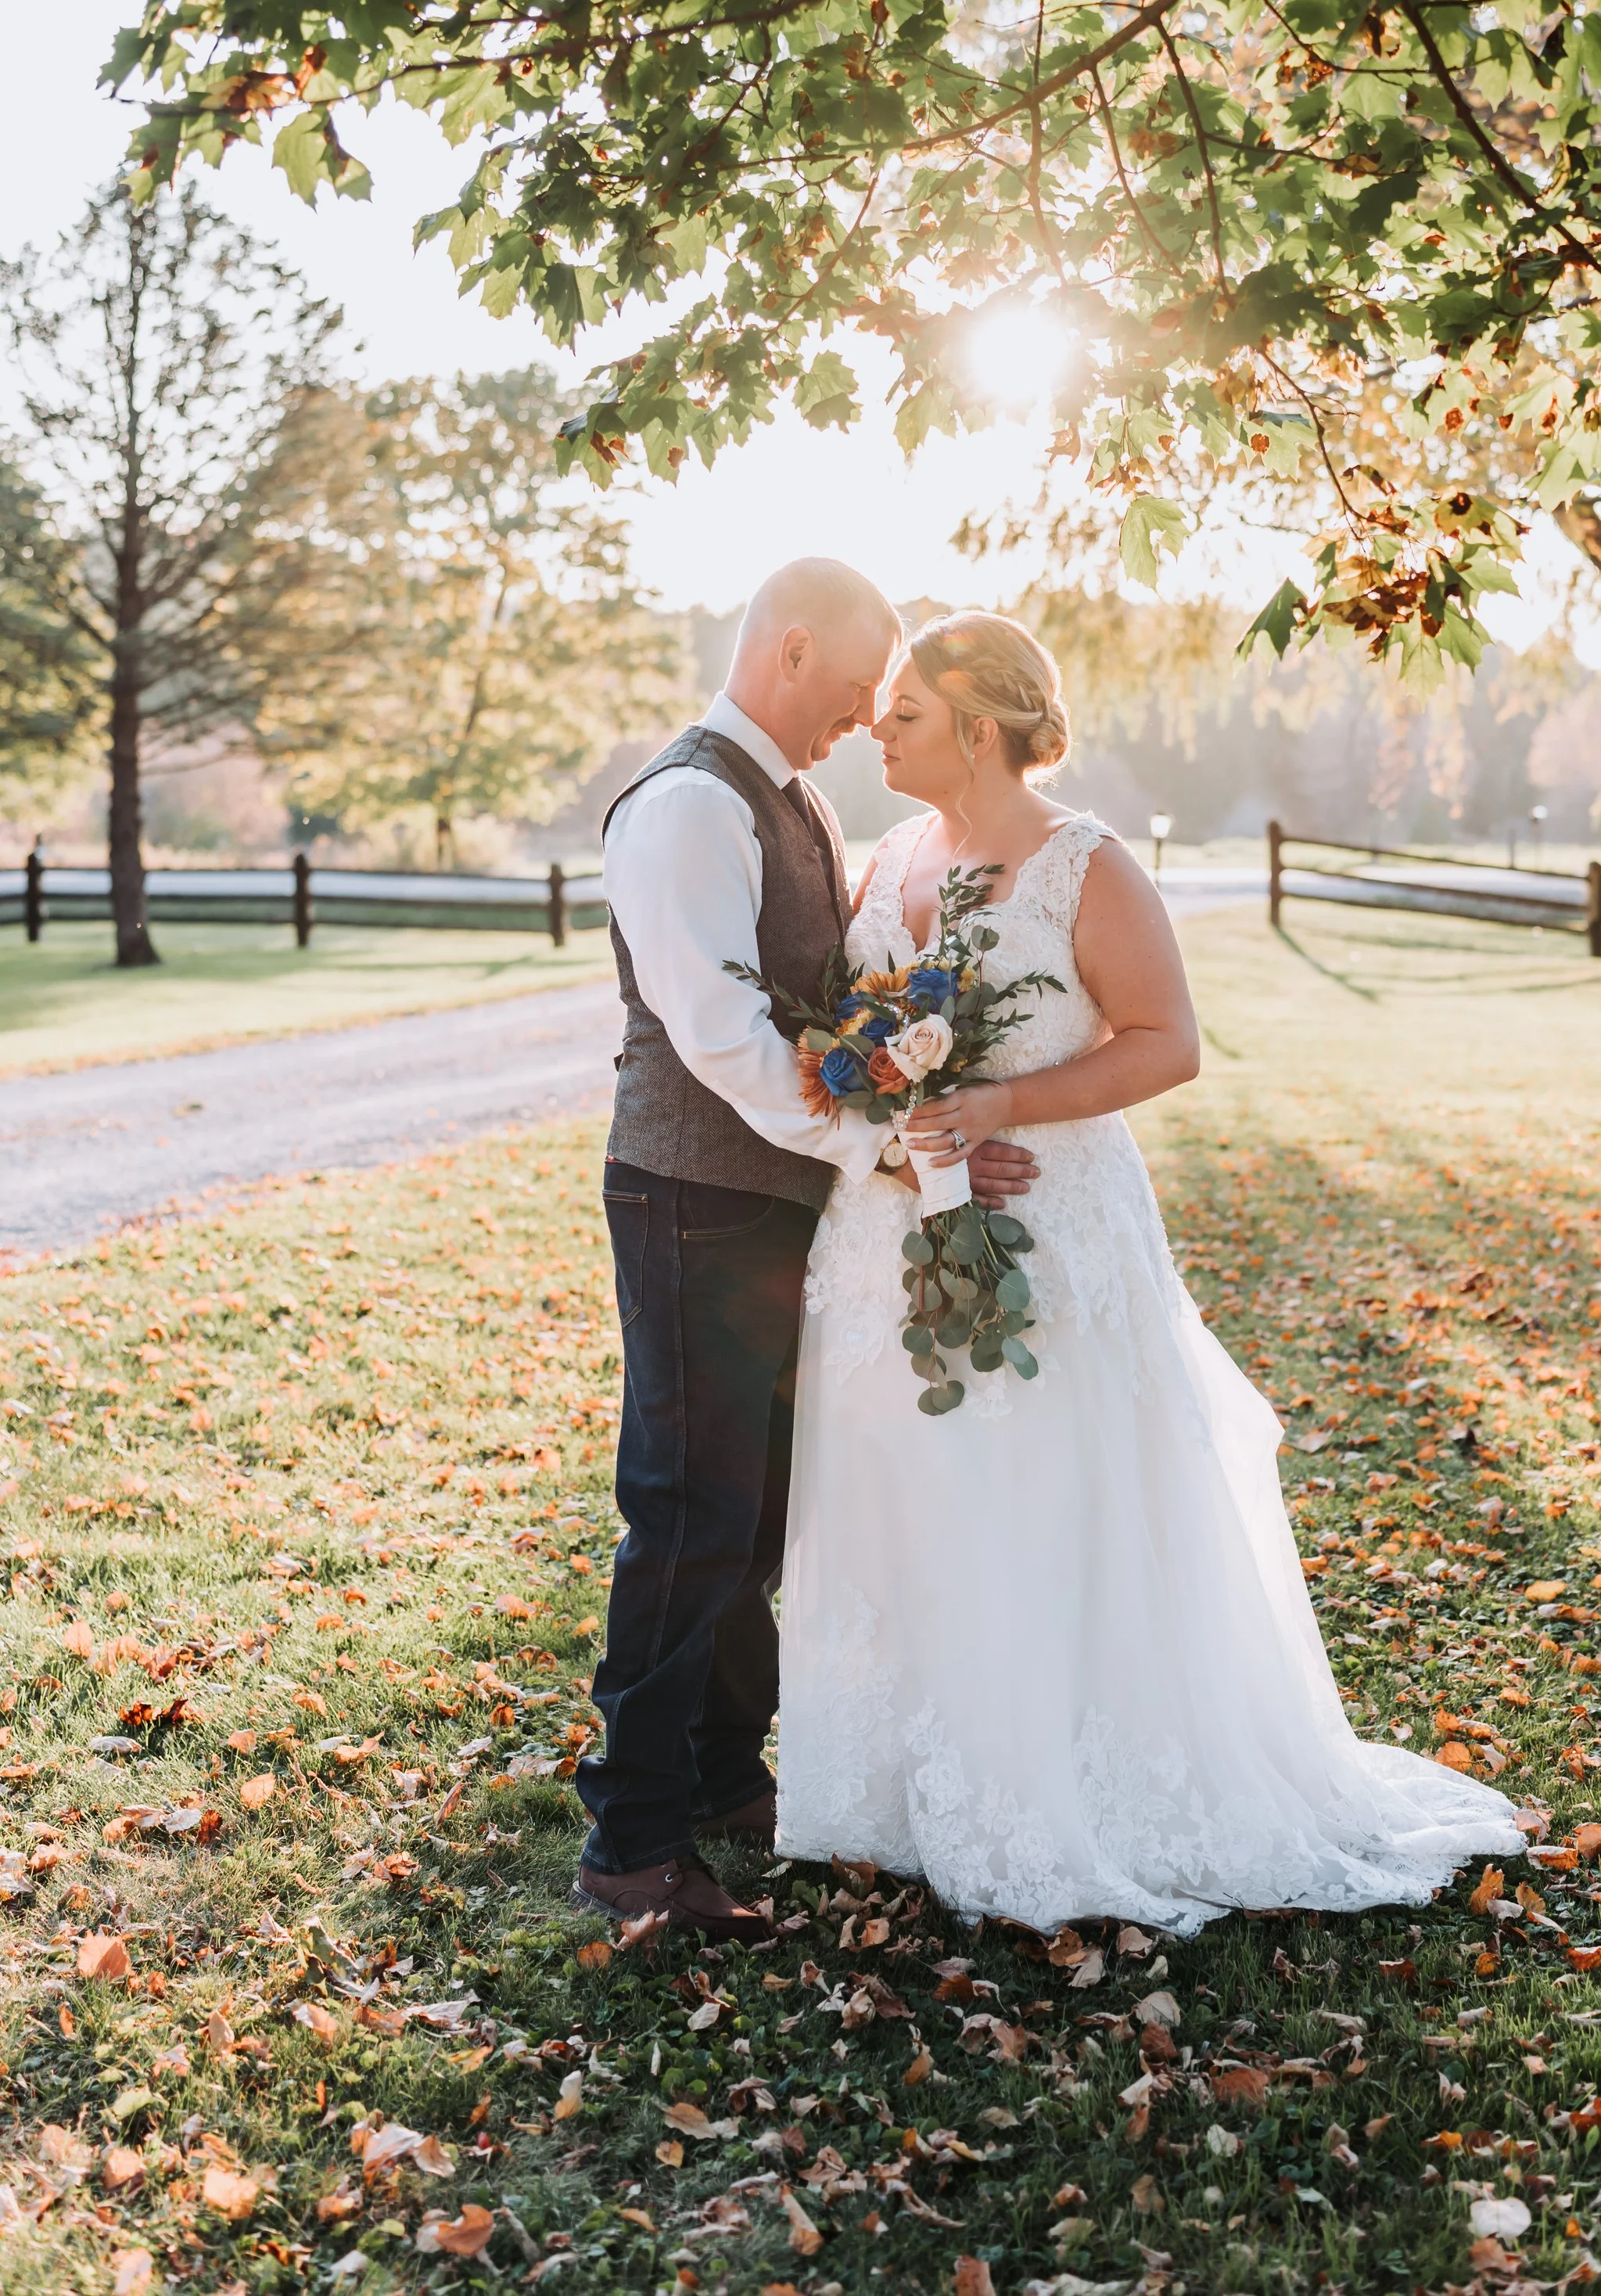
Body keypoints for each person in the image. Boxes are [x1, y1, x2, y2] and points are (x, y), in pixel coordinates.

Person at [775, 609, 1523, 1928]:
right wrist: (896, 1123)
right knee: (911, 1477)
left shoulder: (1087, 866)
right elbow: (855, 1032)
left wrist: (1005, 1108)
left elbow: (1167, 1041)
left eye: (902, 712)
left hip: (1054, 1218)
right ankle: (909, 1785)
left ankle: (1074, 1782)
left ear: (979, 725)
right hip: (896, 1222)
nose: (878, 733)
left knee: (1048, 1481)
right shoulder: (889, 854)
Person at [573, 561, 1039, 1943]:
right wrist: (886, 1147)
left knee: (755, 1508)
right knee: (686, 1512)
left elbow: (820, 999)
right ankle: (634, 1838)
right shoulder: (685, 806)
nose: (858, 718)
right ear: (788, 648)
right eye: (851, 691)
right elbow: (722, 1032)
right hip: (687, 1194)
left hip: (771, 1203)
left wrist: (904, 1098)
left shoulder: (796, 801)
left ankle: (723, 1778)